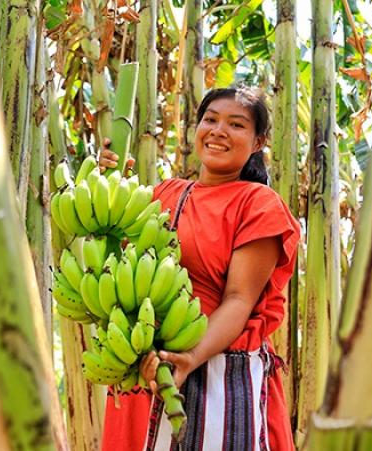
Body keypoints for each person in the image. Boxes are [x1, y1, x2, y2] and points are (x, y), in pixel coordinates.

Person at [98, 85, 300, 451]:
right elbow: (111, 263)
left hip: (215, 372)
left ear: (258, 142)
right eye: (210, 119)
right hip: (144, 367)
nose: (219, 131)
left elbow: (239, 299)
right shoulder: (162, 194)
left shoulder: (258, 204)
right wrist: (102, 181)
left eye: (236, 124)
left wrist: (188, 357)